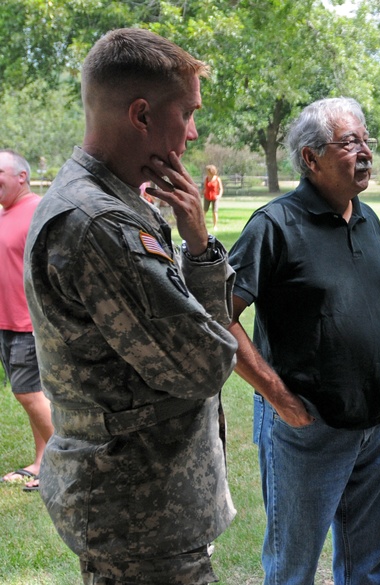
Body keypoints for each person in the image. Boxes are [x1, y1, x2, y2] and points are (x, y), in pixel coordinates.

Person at [24, 28, 238, 584]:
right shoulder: (97, 223)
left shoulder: (114, 204)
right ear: (141, 114)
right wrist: (204, 265)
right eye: (186, 113)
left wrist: (198, 246)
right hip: (139, 514)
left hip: (149, 504)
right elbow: (207, 364)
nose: (192, 133)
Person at [227, 97, 380, 585]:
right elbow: (220, 317)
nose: (365, 151)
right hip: (306, 429)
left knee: (368, 566)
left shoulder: (368, 219)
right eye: (350, 142)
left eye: (366, 140)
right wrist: (281, 401)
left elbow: (374, 302)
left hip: (379, 422)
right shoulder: (274, 225)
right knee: (292, 569)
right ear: (310, 158)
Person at [0, 149, 53, 494]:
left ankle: (74, 462)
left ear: (21, 176)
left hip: (28, 323)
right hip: (7, 321)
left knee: (28, 393)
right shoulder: (5, 213)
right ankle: (41, 461)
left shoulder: (37, 209)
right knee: (31, 395)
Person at [202, 164, 223, 230]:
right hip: (207, 196)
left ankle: (215, 226)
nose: (207, 173)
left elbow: (221, 188)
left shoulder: (217, 179)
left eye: (208, 171)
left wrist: (219, 195)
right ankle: (202, 225)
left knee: (214, 211)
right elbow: (205, 188)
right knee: (204, 211)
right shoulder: (206, 179)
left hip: (215, 197)